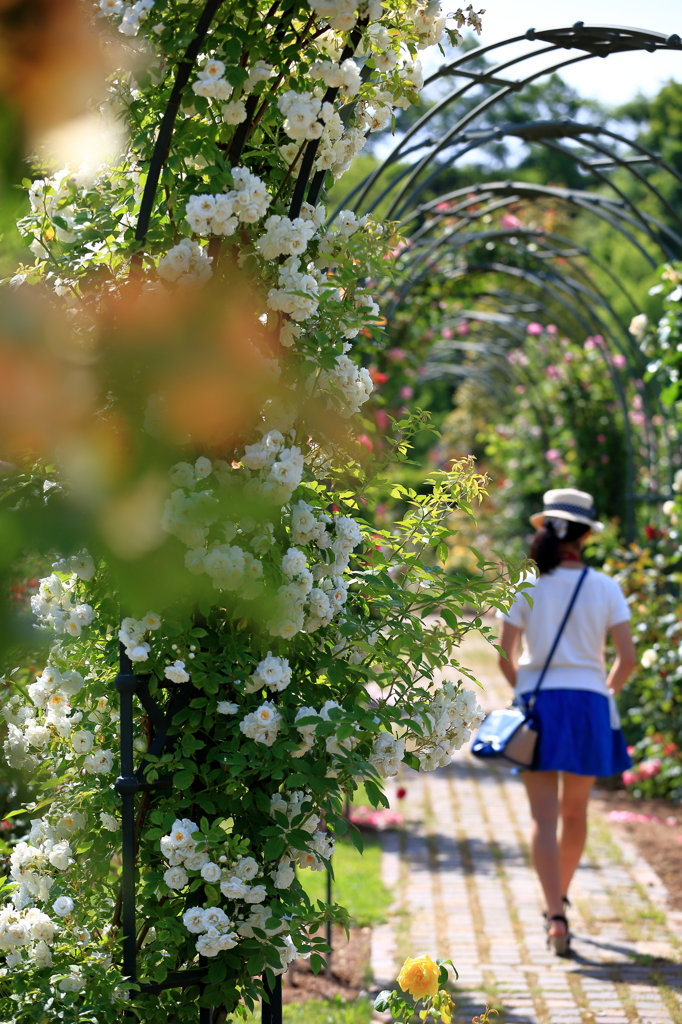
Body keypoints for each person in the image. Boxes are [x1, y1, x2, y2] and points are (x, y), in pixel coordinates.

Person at [496, 487, 636, 955]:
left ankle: (554, 912)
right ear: (586, 535)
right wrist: (605, 692)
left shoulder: (527, 584)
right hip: (590, 705)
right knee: (576, 813)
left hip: (540, 703)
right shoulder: (606, 587)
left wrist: (524, 694)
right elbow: (627, 659)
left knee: (543, 815)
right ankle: (560, 903)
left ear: (547, 530)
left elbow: (504, 655)